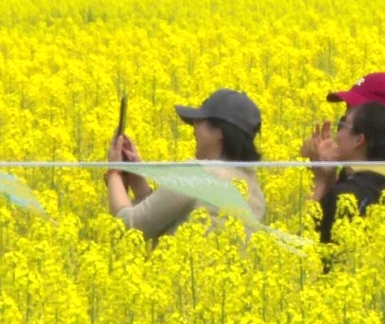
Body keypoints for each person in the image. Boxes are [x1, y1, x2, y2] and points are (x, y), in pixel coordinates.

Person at [106, 89, 267, 244]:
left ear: (220, 132)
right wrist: (137, 180)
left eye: (200, 121)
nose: (194, 127)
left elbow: (129, 226)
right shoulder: (254, 191)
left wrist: (114, 171)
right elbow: (164, 220)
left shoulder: (196, 174)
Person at [309, 101, 385, 245]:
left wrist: (318, 180)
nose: (336, 134)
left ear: (358, 140)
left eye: (342, 125)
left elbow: (305, 246)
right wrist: (328, 176)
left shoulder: (344, 197)